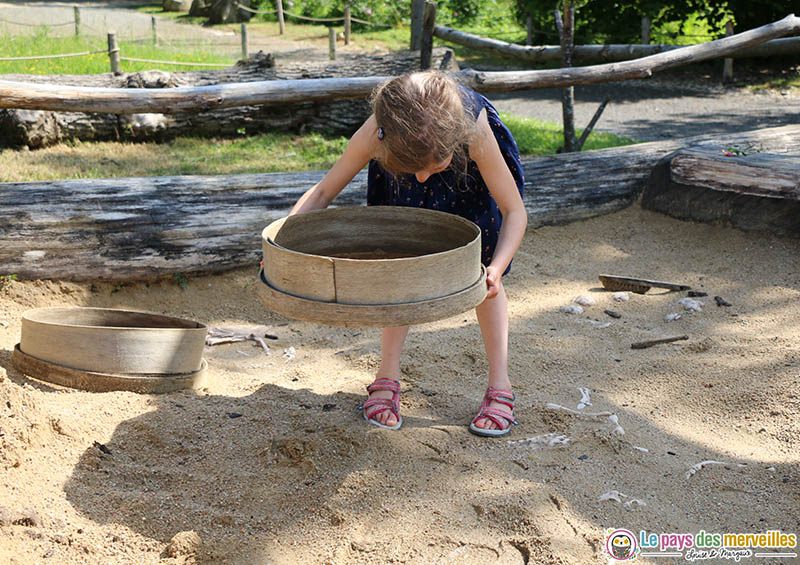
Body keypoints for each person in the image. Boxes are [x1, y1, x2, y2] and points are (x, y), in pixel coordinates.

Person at [289, 70, 527, 437]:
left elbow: (514, 212)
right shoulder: (379, 133)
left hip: (467, 184)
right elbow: (322, 193)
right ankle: (386, 377)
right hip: (408, 172)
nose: (420, 178)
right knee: (396, 271)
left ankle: (500, 385)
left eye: (432, 166)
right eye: (412, 169)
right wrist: (283, 245)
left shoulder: (474, 133)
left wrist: (497, 267)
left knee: (483, 276)